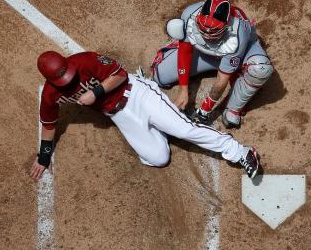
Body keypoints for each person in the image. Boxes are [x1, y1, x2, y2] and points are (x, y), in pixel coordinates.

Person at [30, 51, 260, 180]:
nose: (68, 79)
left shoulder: (84, 61)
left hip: (138, 93)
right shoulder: (51, 94)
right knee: (159, 158)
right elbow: (48, 124)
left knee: (184, 129)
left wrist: (96, 91)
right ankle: (162, 125)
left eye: (67, 73)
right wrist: (43, 156)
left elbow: (119, 75)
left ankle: (240, 152)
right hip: (120, 115)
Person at [150, 0, 274, 128]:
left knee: (260, 68)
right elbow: (185, 52)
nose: (207, 36)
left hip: (240, 52)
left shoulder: (238, 33)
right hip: (206, 54)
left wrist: (204, 110)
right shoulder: (189, 14)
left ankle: (233, 108)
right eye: (203, 30)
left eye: (213, 32)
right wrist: (183, 90)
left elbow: (222, 79)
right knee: (159, 76)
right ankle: (174, 46)